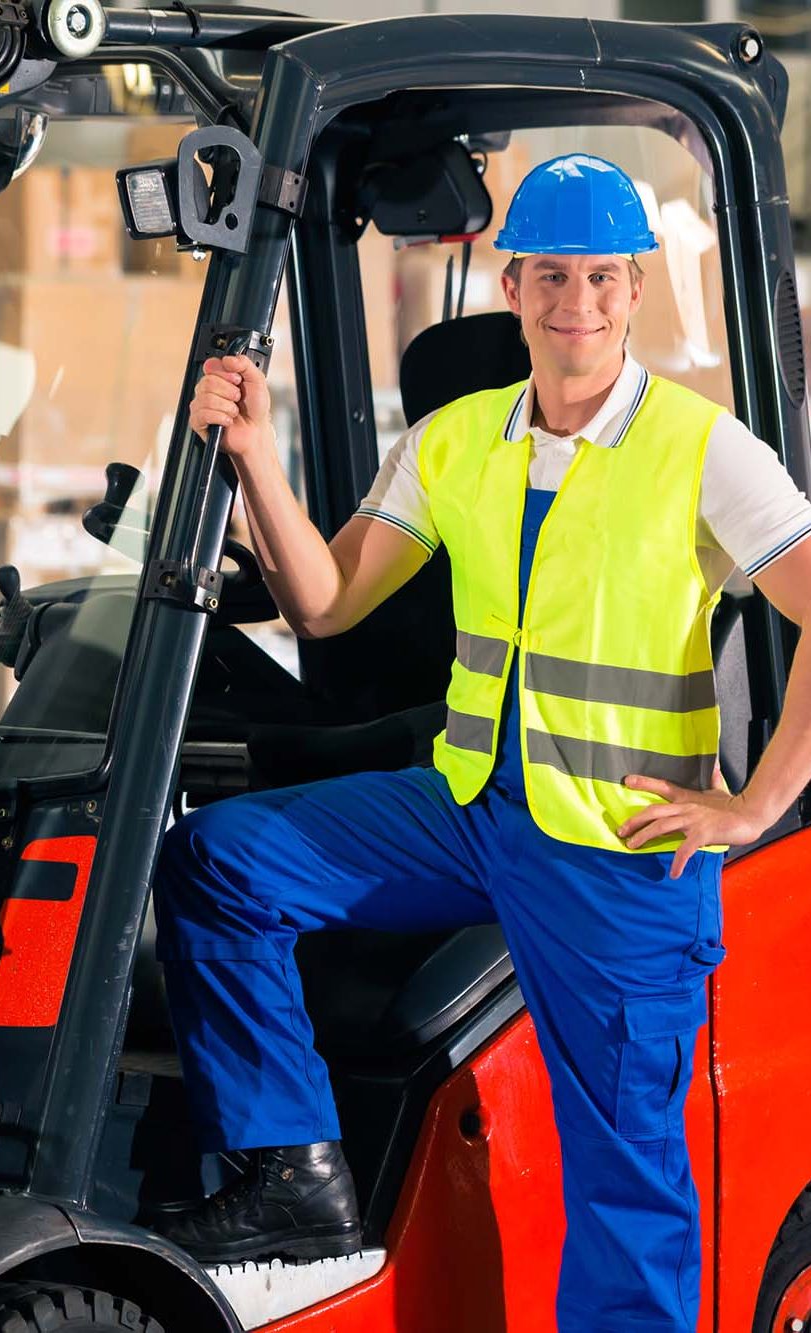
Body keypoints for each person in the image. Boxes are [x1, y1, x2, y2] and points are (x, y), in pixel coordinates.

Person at [151, 154, 811, 1331]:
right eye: (551, 273)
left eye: (602, 277)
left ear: (634, 290)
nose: (578, 302)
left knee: (625, 1182)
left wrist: (754, 806)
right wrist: (253, 452)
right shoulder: (456, 440)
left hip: (615, 851)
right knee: (220, 862)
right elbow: (326, 601)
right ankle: (291, 1179)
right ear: (510, 284)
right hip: (469, 809)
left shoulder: (704, 451)